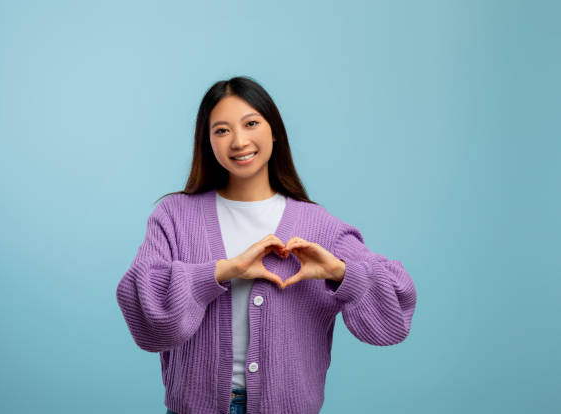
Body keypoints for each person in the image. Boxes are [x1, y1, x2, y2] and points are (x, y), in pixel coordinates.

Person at [116, 76, 417, 414]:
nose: (239, 141)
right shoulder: (173, 215)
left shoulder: (319, 225)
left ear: (274, 130)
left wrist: (339, 272)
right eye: (222, 130)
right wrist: (223, 271)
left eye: (251, 123)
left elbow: (394, 315)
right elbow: (143, 312)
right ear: (208, 142)